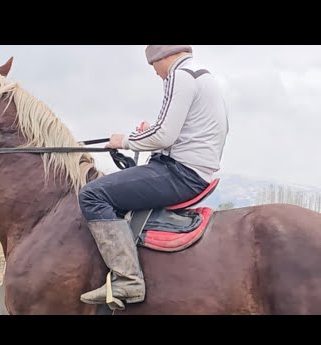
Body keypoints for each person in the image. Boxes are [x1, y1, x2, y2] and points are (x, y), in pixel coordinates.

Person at [78, 45, 229, 309]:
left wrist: (124, 140)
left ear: (162, 56)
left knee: (92, 194)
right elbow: (176, 133)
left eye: (153, 66)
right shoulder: (202, 76)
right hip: (193, 168)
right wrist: (151, 134)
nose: (157, 74)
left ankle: (127, 279)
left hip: (180, 172)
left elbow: (164, 136)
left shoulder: (179, 76)